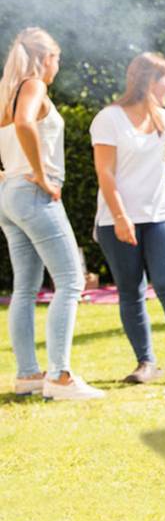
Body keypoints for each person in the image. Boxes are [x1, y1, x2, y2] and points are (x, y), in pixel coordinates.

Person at [0, 28, 104, 400]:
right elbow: (26, 124)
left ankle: (28, 375)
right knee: (71, 281)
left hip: (9, 196)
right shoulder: (32, 86)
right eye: (56, 59)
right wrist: (43, 175)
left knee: (25, 288)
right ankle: (59, 377)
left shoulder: (6, 92)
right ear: (46, 59)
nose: (57, 67)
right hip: (32, 192)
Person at [91, 52, 165, 385]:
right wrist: (122, 217)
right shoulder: (109, 118)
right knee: (130, 290)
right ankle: (146, 363)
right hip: (116, 220)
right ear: (148, 81)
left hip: (161, 216)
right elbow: (105, 173)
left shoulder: (164, 118)